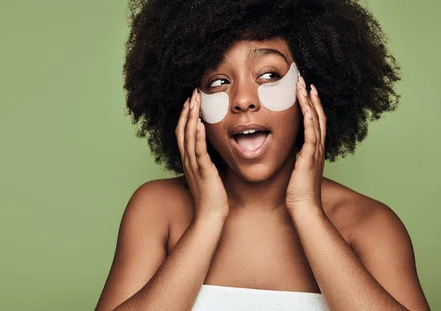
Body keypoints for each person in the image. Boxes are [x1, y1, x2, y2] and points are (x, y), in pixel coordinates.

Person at [95, 0, 431, 310]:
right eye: (218, 81)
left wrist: (308, 212)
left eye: (269, 75)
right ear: (190, 103)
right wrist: (208, 219)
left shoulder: (369, 225)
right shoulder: (158, 210)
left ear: (312, 90)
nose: (243, 99)